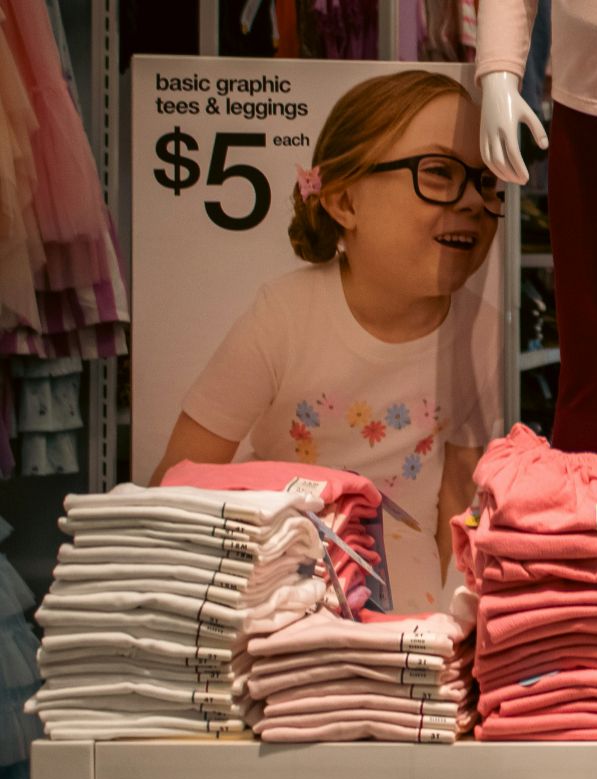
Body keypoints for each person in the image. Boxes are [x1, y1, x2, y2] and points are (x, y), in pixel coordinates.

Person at [153, 70, 504, 613]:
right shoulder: (284, 316)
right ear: (344, 202)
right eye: (437, 173)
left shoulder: (479, 328)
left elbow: (459, 508)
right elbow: (176, 487)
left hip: (405, 620)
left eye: (485, 183)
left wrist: (448, 632)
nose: (473, 203)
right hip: (279, 604)